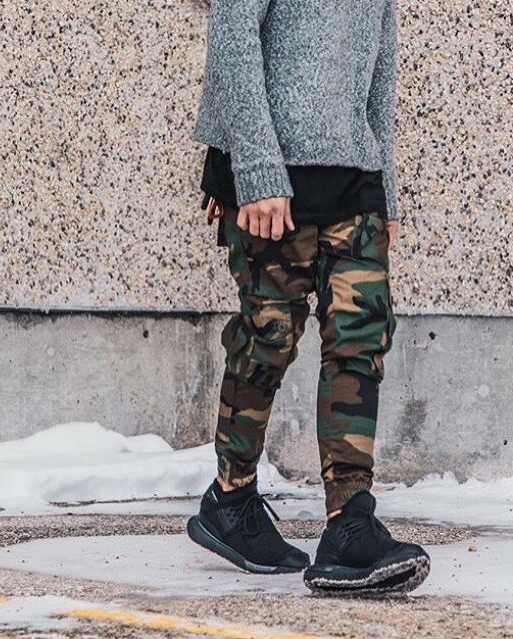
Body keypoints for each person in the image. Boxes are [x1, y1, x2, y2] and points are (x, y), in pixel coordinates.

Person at [186, 0, 431, 594]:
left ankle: (350, 521)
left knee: (360, 337)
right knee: (268, 338)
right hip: (275, 177)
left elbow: (379, 63)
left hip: (355, 174)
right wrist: (256, 170)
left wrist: (385, 190)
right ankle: (231, 496)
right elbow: (233, 33)